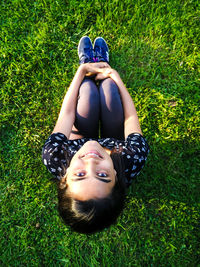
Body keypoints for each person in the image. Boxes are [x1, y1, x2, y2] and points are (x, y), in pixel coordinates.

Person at [42, 36, 149, 234]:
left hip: (80, 136)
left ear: (64, 177)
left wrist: (81, 72)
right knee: (109, 89)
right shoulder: (132, 158)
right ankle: (103, 65)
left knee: (88, 92)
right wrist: (114, 75)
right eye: (102, 175)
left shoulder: (54, 156)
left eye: (80, 174)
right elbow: (130, 117)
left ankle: (89, 65)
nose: (91, 162)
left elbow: (66, 114)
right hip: (113, 139)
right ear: (116, 177)